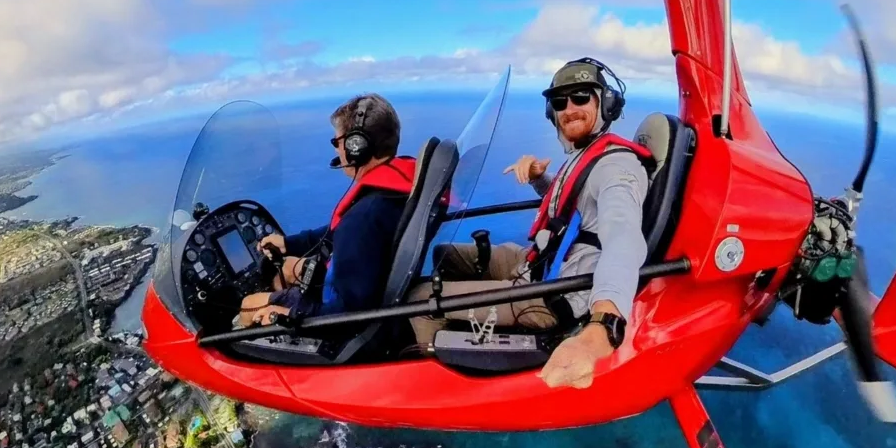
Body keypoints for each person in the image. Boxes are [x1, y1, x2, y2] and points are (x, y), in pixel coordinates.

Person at [406, 57, 656, 389]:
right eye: (559, 101)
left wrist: (602, 325)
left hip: (559, 295)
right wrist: (541, 181)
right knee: (444, 254)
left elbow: (623, 238)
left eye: (581, 97)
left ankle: (437, 381)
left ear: (605, 104)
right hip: (540, 262)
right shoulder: (589, 154)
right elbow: (574, 208)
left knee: (420, 300)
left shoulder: (617, 169)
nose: (569, 108)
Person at [238, 93, 417, 328]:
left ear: (357, 146)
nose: (337, 150)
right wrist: (288, 244)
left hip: (343, 323)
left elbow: (348, 316)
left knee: (249, 304)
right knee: (289, 266)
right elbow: (340, 233)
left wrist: (283, 313)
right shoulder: (394, 189)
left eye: (338, 142)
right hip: (371, 287)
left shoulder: (362, 218)